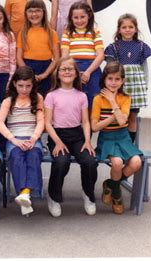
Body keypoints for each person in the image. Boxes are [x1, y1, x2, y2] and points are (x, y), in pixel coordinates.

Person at [44, 56, 97, 217]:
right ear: (57, 73)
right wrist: (58, 142)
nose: (67, 71)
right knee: (61, 161)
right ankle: (53, 196)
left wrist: (87, 141)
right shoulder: (51, 96)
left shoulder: (81, 96)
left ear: (76, 73)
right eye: (63, 69)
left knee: (89, 161)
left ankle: (88, 194)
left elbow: (86, 122)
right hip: (58, 135)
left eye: (70, 69)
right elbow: (47, 123)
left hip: (77, 136)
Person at [91, 62, 143, 214]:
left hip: (123, 138)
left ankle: (110, 184)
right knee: (118, 162)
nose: (113, 83)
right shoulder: (98, 100)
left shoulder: (125, 98)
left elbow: (122, 121)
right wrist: (113, 116)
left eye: (117, 79)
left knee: (136, 162)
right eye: (110, 79)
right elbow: (95, 127)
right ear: (104, 80)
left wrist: (113, 102)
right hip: (107, 139)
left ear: (122, 81)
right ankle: (117, 195)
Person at [0, 66, 44, 217]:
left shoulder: (38, 98)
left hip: (32, 138)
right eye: (21, 85)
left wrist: (34, 138)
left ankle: (25, 193)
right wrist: (13, 139)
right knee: (16, 157)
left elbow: (41, 121)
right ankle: (25, 193)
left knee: (33, 156)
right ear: (14, 84)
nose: (24, 89)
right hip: (14, 139)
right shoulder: (8, 101)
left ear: (33, 85)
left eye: (28, 86)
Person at [104, 13, 151, 143]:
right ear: (119, 29)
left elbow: (144, 67)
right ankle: (117, 141)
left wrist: (145, 85)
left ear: (136, 29)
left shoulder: (141, 46)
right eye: (124, 27)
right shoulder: (114, 47)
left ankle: (129, 143)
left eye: (130, 27)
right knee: (119, 115)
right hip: (119, 85)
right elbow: (109, 68)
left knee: (132, 116)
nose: (127, 29)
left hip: (136, 86)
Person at [61, 1, 104, 108]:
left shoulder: (95, 32)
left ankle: (91, 124)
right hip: (73, 68)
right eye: (76, 17)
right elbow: (65, 56)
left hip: (92, 70)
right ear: (71, 18)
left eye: (82, 17)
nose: (79, 20)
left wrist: (88, 72)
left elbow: (100, 56)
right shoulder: (67, 33)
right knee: (74, 101)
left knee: (93, 100)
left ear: (89, 16)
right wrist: (75, 72)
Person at [16, 0, 60, 97]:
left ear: (43, 12)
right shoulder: (23, 33)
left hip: (46, 68)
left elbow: (56, 57)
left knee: (44, 98)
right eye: (30, 11)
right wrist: (27, 73)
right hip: (27, 67)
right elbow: (18, 57)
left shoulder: (52, 33)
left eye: (37, 11)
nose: (34, 14)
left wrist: (45, 74)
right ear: (26, 13)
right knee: (27, 97)